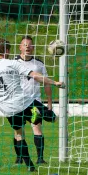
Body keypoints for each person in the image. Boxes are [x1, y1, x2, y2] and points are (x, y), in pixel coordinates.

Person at [0, 38, 65, 172]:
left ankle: (30, 166)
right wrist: (55, 83)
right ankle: (40, 114)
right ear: (7, 50)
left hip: (8, 109)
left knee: (19, 135)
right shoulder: (12, 63)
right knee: (50, 116)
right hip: (24, 101)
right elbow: (35, 75)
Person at [14, 35, 57, 164]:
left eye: (30, 45)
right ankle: (19, 157)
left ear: (33, 48)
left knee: (37, 128)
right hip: (18, 103)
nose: (27, 47)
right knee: (18, 130)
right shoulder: (13, 63)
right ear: (20, 47)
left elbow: (46, 83)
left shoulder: (38, 64)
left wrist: (49, 103)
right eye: (25, 45)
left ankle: (40, 158)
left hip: (34, 104)